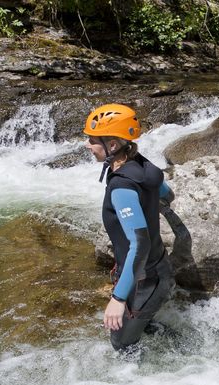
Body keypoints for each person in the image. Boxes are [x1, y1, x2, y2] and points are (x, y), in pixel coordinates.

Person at [83, 103, 176, 352]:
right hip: (159, 270)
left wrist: (118, 298)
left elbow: (139, 243)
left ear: (112, 145)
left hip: (144, 280)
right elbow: (167, 194)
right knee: (144, 325)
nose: (87, 145)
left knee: (121, 344)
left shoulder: (122, 188)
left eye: (92, 140)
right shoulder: (143, 165)